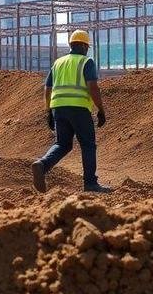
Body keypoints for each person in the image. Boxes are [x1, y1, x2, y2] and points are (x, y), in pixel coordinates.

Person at [31, 30, 111, 194]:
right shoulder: (86, 61)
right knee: (88, 144)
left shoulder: (58, 63)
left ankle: (42, 164)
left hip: (59, 108)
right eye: (87, 46)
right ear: (83, 45)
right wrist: (101, 110)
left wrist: (48, 111)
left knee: (62, 144)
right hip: (79, 108)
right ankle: (90, 183)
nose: (87, 49)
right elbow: (92, 86)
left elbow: (47, 89)